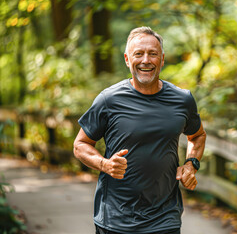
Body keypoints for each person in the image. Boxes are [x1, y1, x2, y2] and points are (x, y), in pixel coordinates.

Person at [73, 26, 206, 234]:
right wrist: (105, 165)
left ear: (162, 60)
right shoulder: (109, 100)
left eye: (153, 54)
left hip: (165, 218)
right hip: (116, 219)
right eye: (139, 54)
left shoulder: (182, 100)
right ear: (127, 59)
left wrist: (191, 164)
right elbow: (80, 145)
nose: (146, 60)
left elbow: (197, 136)